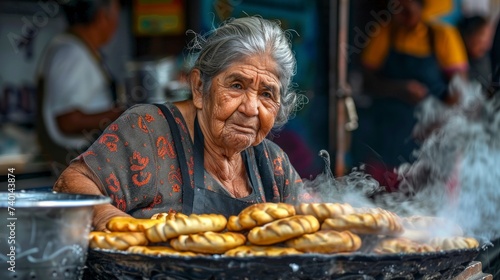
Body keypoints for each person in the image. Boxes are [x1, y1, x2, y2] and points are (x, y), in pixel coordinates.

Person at [53, 16, 313, 231]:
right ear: (199, 87)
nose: (250, 108)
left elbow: (313, 219)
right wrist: (110, 220)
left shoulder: (273, 163)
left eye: (267, 94)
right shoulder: (148, 131)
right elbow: (71, 183)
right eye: (236, 85)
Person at [352, 0, 468, 189]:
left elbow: (459, 89)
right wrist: (398, 88)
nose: (399, 14)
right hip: (389, 133)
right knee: (383, 200)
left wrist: (438, 122)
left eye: (406, 9)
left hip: (429, 134)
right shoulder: (385, 32)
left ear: (422, 6)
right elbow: (368, 81)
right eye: (396, 8)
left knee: (428, 201)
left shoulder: (442, 35)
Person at [36, 0, 124, 170]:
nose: (116, 24)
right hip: (75, 160)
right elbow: (68, 121)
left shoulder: (78, 49)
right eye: (116, 15)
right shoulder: (71, 54)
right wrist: (122, 114)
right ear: (102, 16)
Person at [458, 15, 493, 93]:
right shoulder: (456, 62)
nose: (488, 45)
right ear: (467, 37)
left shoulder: (485, 57)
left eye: (489, 38)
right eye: (481, 35)